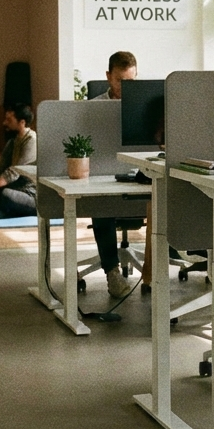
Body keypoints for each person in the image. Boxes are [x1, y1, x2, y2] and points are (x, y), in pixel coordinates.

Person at [90, 50, 139, 299]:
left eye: (130, 81)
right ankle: (112, 272)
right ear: (109, 77)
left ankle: (155, 271)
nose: (125, 87)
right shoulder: (94, 108)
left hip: (138, 175)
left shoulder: (143, 106)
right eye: (120, 80)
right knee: (101, 205)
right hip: (104, 177)